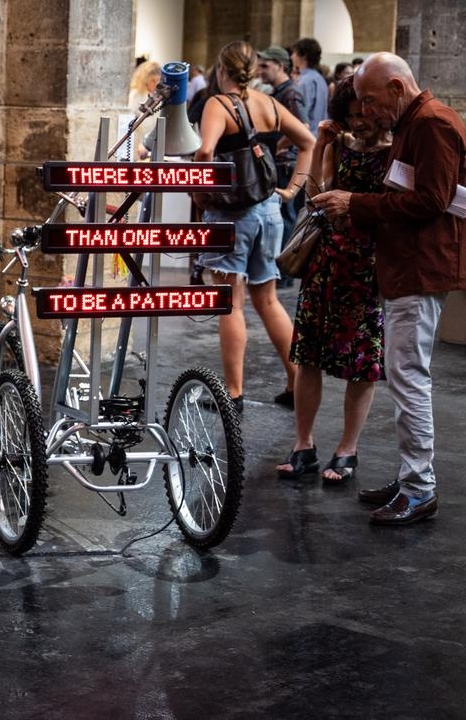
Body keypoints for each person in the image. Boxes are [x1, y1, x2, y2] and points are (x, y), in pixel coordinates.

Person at [312, 52, 466, 525]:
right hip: (406, 266)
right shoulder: (415, 122)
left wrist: (356, 204)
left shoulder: (432, 123)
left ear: (397, 88)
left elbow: (432, 200)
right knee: (404, 376)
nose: (367, 111)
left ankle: (419, 488)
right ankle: (411, 477)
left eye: (371, 100)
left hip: (419, 268)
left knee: (408, 378)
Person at [277, 77, 389, 482]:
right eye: (351, 115)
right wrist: (322, 145)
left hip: (365, 265)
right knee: (308, 355)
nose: (358, 122)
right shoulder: (340, 145)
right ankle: (303, 445)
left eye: (364, 114)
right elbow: (315, 197)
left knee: (361, 361)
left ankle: (347, 449)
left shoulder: (394, 152)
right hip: (325, 261)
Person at [194, 41, 315, 413]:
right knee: (268, 300)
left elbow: (205, 152)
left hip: (233, 214)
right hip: (269, 210)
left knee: (231, 302)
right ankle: (296, 382)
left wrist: (199, 195)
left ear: (222, 69)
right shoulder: (269, 104)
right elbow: (309, 141)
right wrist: (292, 190)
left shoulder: (217, 104)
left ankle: (233, 392)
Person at [257, 46, 309, 293]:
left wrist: (278, 145)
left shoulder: (290, 93)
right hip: (280, 162)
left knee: (285, 216)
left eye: (265, 66)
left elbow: (303, 126)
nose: (260, 71)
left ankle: (284, 271)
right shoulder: (279, 92)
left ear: (279, 66)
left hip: (286, 163)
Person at [290, 37, 328, 135]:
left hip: (308, 135)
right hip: (319, 134)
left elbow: (301, 116)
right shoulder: (319, 78)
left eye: (294, 53)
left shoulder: (305, 81)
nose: (291, 57)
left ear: (304, 56)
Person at [126, 60, 161, 160]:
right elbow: (130, 123)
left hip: (153, 144)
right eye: (153, 81)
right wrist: (138, 144)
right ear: (145, 80)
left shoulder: (159, 97)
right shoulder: (135, 95)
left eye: (158, 81)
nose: (156, 84)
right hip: (138, 145)